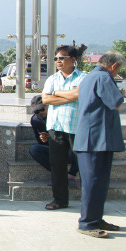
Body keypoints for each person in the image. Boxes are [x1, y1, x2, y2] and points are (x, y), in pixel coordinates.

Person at [73, 51, 126, 238]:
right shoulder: (103, 77)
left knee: (98, 183)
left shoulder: (90, 77)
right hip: (95, 139)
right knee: (94, 183)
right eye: (119, 69)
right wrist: (121, 92)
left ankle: (95, 218)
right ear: (113, 66)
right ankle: (87, 223)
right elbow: (116, 103)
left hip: (94, 139)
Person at [41, 45, 86, 210]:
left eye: (62, 58)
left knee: (84, 164)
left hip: (76, 127)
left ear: (73, 60)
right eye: (56, 58)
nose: (58, 61)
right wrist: (70, 96)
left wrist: (57, 94)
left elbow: (80, 94)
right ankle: (59, 199)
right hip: (56, 127)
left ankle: (88, 201)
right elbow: (45, 99)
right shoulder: (52, 79)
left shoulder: (83, 78)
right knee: (57, 165)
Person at [28, 95, 79, 184]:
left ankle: (71, 174)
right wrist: (44, 140)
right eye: (36, 111)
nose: (40, 113)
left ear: (49, 106)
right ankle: (58, 173)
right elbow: (41, 142)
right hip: (54, 149)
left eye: (41, 109)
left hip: (68, 148)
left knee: (76, 149)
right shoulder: (36, 120)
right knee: (34, 149)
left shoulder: (59, 115)